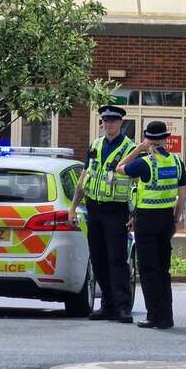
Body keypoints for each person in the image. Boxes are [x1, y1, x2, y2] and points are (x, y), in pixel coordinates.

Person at [68, 105, 136, 323]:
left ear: (121, 123)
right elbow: (83, 178)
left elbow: (136, 184)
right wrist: (72, 207)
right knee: (98, 260)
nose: (109, 125)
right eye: (106, 121)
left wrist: (134, 214)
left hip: (117, 211)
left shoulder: (130, 148)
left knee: (117, 259)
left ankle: (123, 307)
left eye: (114, 121)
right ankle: (107, 305)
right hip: (94, 209)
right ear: (102, 123)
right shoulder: (95, 145)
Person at [116, 121, 186, 329]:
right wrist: (176, 219)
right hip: (166, 218)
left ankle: (154, 315)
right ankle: (167, 316)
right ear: (165, 139)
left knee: (148, 270)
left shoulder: (144, 163)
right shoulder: (176, 162)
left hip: (147, 220)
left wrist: (138, 149)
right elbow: (182, 194)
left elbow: (119, 168)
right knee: (163, 270)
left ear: (148, 139)